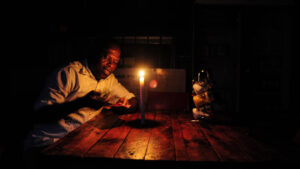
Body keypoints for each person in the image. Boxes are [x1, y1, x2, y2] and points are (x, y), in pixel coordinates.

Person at [23, 38, 137, 151]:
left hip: (78, 141)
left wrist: (126, 106)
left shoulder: (109, 80)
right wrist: (82, 103)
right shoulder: (69, 74)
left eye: (115, 62)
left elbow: (133, 100)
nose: (110, 64)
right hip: (49, 142)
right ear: (95, 53)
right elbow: (41, 115)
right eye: (106, 58)